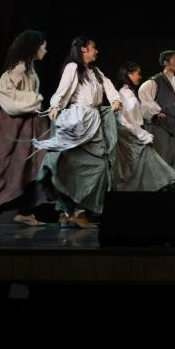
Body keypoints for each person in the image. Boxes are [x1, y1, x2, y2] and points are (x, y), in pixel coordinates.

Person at [34, 36, 122, 229]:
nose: (96, 51)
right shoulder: (73, 67)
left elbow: (108, 86)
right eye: (93, 47)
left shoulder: (96, 72)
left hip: (94, 122)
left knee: (99, 167)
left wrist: (115, 99)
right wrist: (56, 105)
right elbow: (63, 89)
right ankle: (71, 212)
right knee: (72, 166)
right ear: (83, 49)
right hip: (78, 120)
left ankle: (76, 211)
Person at [0, 30, 50, 226]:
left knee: (33, 164)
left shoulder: (28, 68)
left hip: (29, 123)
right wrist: (35, 100)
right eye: (43, 47)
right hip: (14, 124)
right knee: (3, 163)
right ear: (34, 47)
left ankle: (25, 211)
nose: (45, 51)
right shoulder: (18, 69)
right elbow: (2, 92)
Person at [112, 62, 175, 193]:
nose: (140, 76)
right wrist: (142, 134)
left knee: (139, 167)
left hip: (130, 133)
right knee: (144, 161)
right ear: (129, 74)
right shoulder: (126, 93)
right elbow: (127, 120)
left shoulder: (127, 92)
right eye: (138, 73)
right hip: (128, 135)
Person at [139, 50, 175, 190]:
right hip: (161, 125)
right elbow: (143, 95)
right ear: (166, 62)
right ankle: (163, 188)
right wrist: (156, 111)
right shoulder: (155, 81)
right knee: (163, 158)